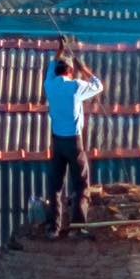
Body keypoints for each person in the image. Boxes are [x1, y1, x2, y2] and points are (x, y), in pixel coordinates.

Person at [44, 44, 103, 234]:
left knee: (56, 186)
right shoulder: (76, 86)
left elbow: (52, 66)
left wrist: (60, 50)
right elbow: (98, 86)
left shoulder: (50, 85)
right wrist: (83, 68)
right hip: (74, 142)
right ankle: (78, 226)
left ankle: (54, 228)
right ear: (70, 71)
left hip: (57, 142)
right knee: (81, 183)